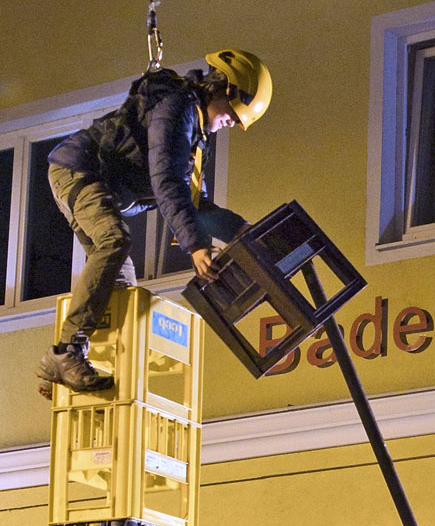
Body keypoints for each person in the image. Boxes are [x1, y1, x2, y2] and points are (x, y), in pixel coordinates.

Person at [35, 49, 273, 399]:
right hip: (80, 171)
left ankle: (57, 375)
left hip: (95, 181)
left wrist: (244, 234)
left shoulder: (192, 133)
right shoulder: (175, 110)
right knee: (113, 241)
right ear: (222, 89)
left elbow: (197, 205)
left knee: (121, 290)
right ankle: (66, 353)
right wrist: (195, 245)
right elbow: (167, 184)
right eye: (236, 115)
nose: (235, 124)